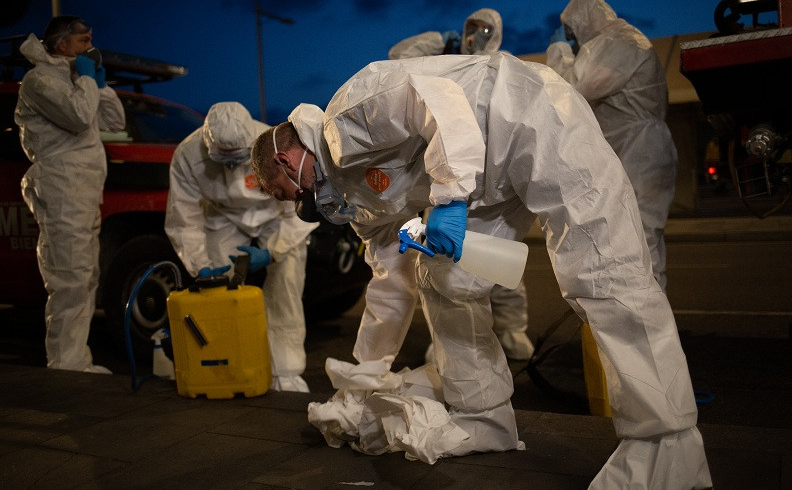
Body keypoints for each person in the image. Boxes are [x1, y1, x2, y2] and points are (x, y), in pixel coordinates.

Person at [252, 52, 712, 488]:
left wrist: (449, 199)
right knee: (445, 280)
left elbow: (442, 106)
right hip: (483, 184)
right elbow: (389, 283)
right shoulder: (356, 199)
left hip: (528, 117)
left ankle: (665, 443)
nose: (303, 205)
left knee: (603, 268)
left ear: (284, 159)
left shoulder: (350, 111)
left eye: (289, 193)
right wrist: (367, 370)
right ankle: (483, 417)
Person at [389, 7, 534, 361]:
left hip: (493, 178)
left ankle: (512, 329)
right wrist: (438, 42)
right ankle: (450, 337)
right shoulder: (447, 65)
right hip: (446, 178)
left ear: (496, 32)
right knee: (444, 263)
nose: (475, 35)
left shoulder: (503, 66)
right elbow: (397, 59)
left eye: (483, 29)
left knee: (498, 260)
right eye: (470, 28)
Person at [165, 101, 318, 392]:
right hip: (222, 217)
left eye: (238, 160)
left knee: (285, 284)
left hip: (276, 214)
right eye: (225, 161)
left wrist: (274, 250)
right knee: (217, 292)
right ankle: (225, 363)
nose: (233, 168)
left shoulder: (271, 145)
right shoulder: (187, 154)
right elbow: (183, 218)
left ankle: (286, 371)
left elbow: (301, 208)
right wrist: (201, 266)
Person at [15, 15, 125, 373]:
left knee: (85, 274)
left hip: (82, 189)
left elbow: (113, 121)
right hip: (61, 185)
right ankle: (65, 364)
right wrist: (87, 82)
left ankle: (75, 359)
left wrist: (99, 84)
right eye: (83, 42)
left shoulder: (76, 78)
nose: (90, 48)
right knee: (69, 276)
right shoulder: (39, 80)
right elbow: (79, 116)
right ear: (62, 44)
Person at [546, 0, 677, 291]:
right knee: (626, 242)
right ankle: (639, 323)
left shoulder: (621, 42)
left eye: (571, 30)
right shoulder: (615, 43)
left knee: (640, 240)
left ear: (583, 20)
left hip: (640, 153)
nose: (573, 38)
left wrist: (558, 50)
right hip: (632, 152)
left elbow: (570, 90)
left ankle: (651, 329)